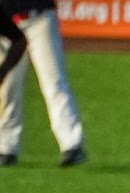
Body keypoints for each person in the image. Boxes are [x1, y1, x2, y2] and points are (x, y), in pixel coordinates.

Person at [0, 0, 86, 167]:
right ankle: (6, 148)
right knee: (8, 88)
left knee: (53, 81)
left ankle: (72, 145)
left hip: (38, 18)